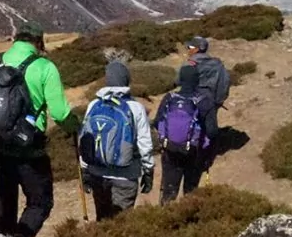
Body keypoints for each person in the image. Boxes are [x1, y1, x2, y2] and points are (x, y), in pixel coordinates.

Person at [0, 21, 75, 237]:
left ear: (15, 38)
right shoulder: (44, 67)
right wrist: (75, 128)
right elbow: (60, 113)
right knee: (40, 202)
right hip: (29, 146)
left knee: (5, 201)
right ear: (39, 42)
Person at [78, 61, 155, 220]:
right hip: (126, 176)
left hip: (97, 174)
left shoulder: (94, 104)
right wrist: (148, 172)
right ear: (126, 80)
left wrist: (85, 170)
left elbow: (85, 139)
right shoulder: (135, 108)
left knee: (102, 219)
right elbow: (145, 145)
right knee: (122, 223)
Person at [155, 63, 214, 204]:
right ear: (197, 80)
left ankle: (164, 216)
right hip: (194, 152)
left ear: (181, 79)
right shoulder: (204, 100)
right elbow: (212, 130)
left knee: (169, 191)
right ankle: (188, 220)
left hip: (170, 150)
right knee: (191, 191)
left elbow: (158, 121)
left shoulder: (169, 98)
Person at [186, 35, 231, 170]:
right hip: (212, 101)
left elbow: (179, 80)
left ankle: (194, 157)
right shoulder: (217, 64)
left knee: (193, 128)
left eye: (190, 47)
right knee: (210, 128)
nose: (188, 49)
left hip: (193, 101)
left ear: (197, 49)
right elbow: (224, 83)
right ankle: (208, 155)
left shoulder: (190, 64)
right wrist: (218, 101)